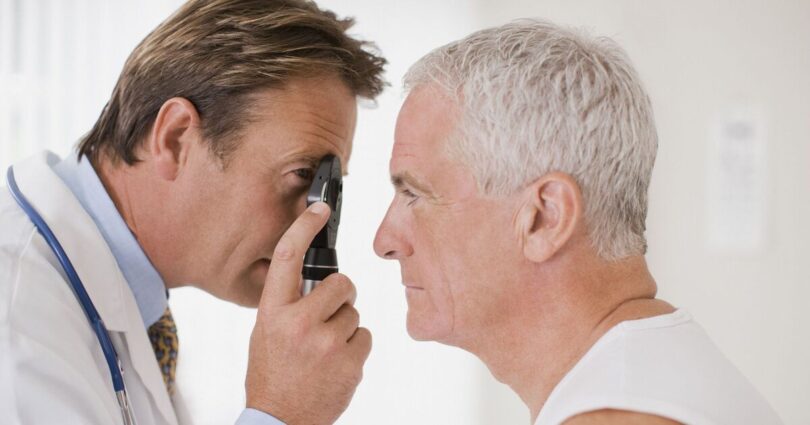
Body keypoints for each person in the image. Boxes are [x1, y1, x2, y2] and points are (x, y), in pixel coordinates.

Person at [374, 20, 781, 425]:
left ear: (544, 218)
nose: (384, 241)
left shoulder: (615, 416)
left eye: (414, 194)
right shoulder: (658, 377)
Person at [0, 0, 385, 424]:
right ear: (176, 139)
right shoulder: (15, 318)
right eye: (302, 174)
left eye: (327, 187)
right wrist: (281, 412)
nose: (313, 226)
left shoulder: (133, 313)